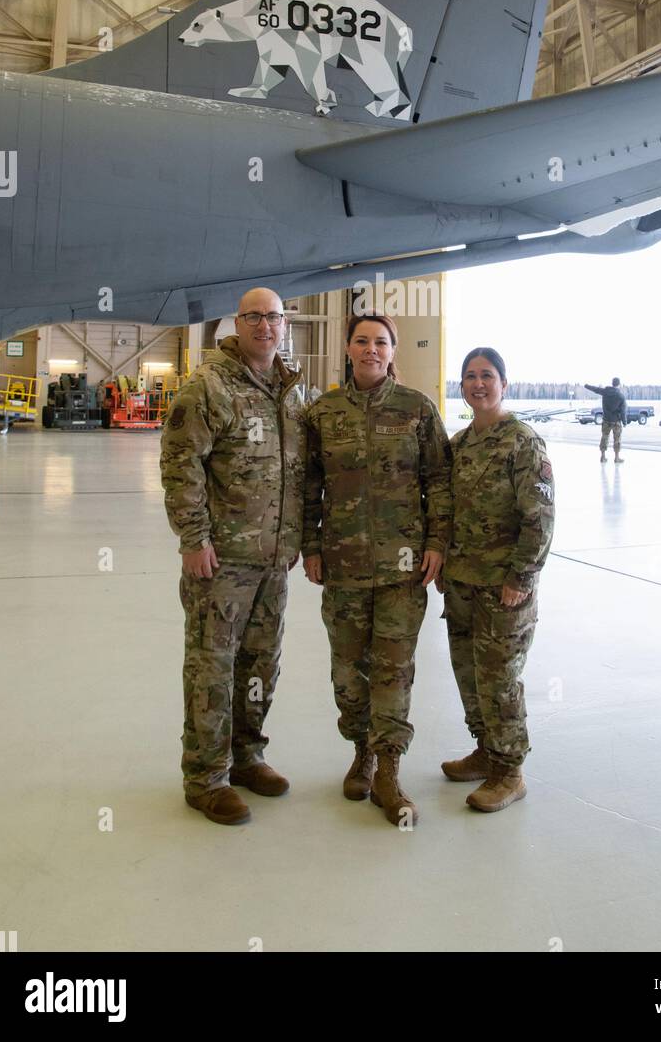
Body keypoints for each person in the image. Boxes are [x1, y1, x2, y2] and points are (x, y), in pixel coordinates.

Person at [161, 288, 305, 826]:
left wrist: (292, 540)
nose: (264, 325)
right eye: (254, 317)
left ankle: (247, 757)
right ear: (237, 324)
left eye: (273, 317)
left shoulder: (289, 389)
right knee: (212, 668)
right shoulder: (209, 386)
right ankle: (205, 777)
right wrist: (194, 540)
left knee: (259, 666)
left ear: (284, 325)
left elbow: (296, 469)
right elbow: (180, 465)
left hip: (272, 562)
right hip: (221, 563)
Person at [302, 314, 452, 828]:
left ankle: (387, 766)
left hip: (402, 568)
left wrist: (436, 542)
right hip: (341, 566)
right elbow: (309, 485)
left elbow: (440, 480)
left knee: (393, 669)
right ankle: (360, 750)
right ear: (347, 348)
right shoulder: (322, 412)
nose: (371, 349)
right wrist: (310, 546)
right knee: (348, 671)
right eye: (362, 340)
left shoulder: (417, 409)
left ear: (392, 352)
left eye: (381, 342)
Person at [441, 348, 554, 813]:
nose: (478, 384)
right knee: (468, 673)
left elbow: (541, 517)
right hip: (462, 583)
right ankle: (486, 748)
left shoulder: (522, 442)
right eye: (470, 377)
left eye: (487, 376)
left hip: (504, 587)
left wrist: (521, 576)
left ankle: (510, 771)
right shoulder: (459, 445)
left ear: (503, 384)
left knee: (499, 679)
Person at [585, 376, 627, 462]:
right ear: (619, 384)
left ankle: (603, 457)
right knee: (617, 439)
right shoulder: (621, 396)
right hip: (616, 421)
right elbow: (623, 411)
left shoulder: (605, 391)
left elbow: (595, 389)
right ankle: (616, 458)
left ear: (612, 383)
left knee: (604, 437)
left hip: (606, 420)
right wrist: (624, 421)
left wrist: (586, 386)